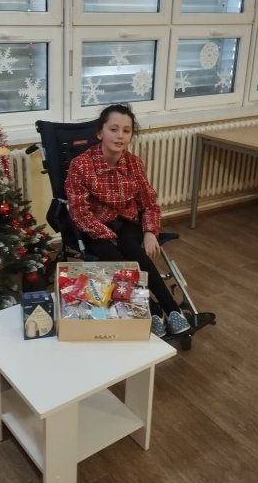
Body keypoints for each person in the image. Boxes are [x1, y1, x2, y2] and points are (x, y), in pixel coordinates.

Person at [64, 103, 190, 337]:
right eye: (113, 129)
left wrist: (150, 231)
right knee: (114, 258)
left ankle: (172, 310)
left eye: (126, 130)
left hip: (127, 223)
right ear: (100, 132)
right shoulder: (80, 165)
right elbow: (79, 212)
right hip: (95, 228)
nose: (120, 136)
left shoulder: (134, 163)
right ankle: (152, 311)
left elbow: (149, 203)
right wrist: (107, 236)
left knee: (133, 249)